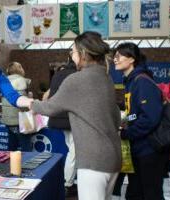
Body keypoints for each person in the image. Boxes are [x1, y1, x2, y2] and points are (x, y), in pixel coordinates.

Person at [30, 31, 121, 200]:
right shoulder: (106, 78)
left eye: (73, 51)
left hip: (93, 161)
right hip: (113, 158)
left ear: (83, 54)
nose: (71, 55)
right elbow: (116, 119)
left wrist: (31, 104)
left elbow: (50, 107)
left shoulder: (77, 80)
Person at [114, 42, 169, 200]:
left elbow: (150, 118)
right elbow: (136, 113)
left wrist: (126, 133)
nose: (115, 59)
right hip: (139, 148)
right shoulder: (131, 81)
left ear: (131, 59)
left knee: (151, 194)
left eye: (119, 56)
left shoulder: (142, 81)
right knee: (135, 193)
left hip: (150, 150)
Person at [43, 58, 77, 196]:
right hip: (70, 118)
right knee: (74, 152)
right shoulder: (76, 75)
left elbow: (49, 96)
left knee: (71, 148)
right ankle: (67, 184)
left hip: (57, 118)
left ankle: (69, 181)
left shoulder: (57, 75)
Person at [0, 62, 33, 152]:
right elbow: (24, 102)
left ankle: (11, 165)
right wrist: (30, 96)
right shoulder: (22, 81)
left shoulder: (4, 81)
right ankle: (27, 165)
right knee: (26, 147)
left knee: (11, 148)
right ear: (20, 69)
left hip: (8, 120)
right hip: (21, 120)